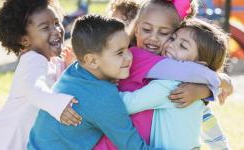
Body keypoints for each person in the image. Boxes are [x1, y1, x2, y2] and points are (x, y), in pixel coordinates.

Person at [95, 0, 231, 149]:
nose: (154, 38)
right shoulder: (137, 57)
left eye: (166, 34)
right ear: (137, 30)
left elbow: (205, 116)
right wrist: (217, 81)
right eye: (147, 29)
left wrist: (204, 90)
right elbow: (183, 70)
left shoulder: (177, 81)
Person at [28, 14, 160, 150]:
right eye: (120, 52)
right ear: (92, 60)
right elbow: (135, 147)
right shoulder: (103, 98)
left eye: (128, 48)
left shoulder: (74, 71)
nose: (129, 57)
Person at [0, 0, 82, 149]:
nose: (56, 30)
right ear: (25, 40)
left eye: (57, 23)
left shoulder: (54, 61)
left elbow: (60, 85)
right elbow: (35, 89)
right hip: (4, 143)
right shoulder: (32, 60)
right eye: (45, 27)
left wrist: (69, 67)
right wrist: (58, 105)